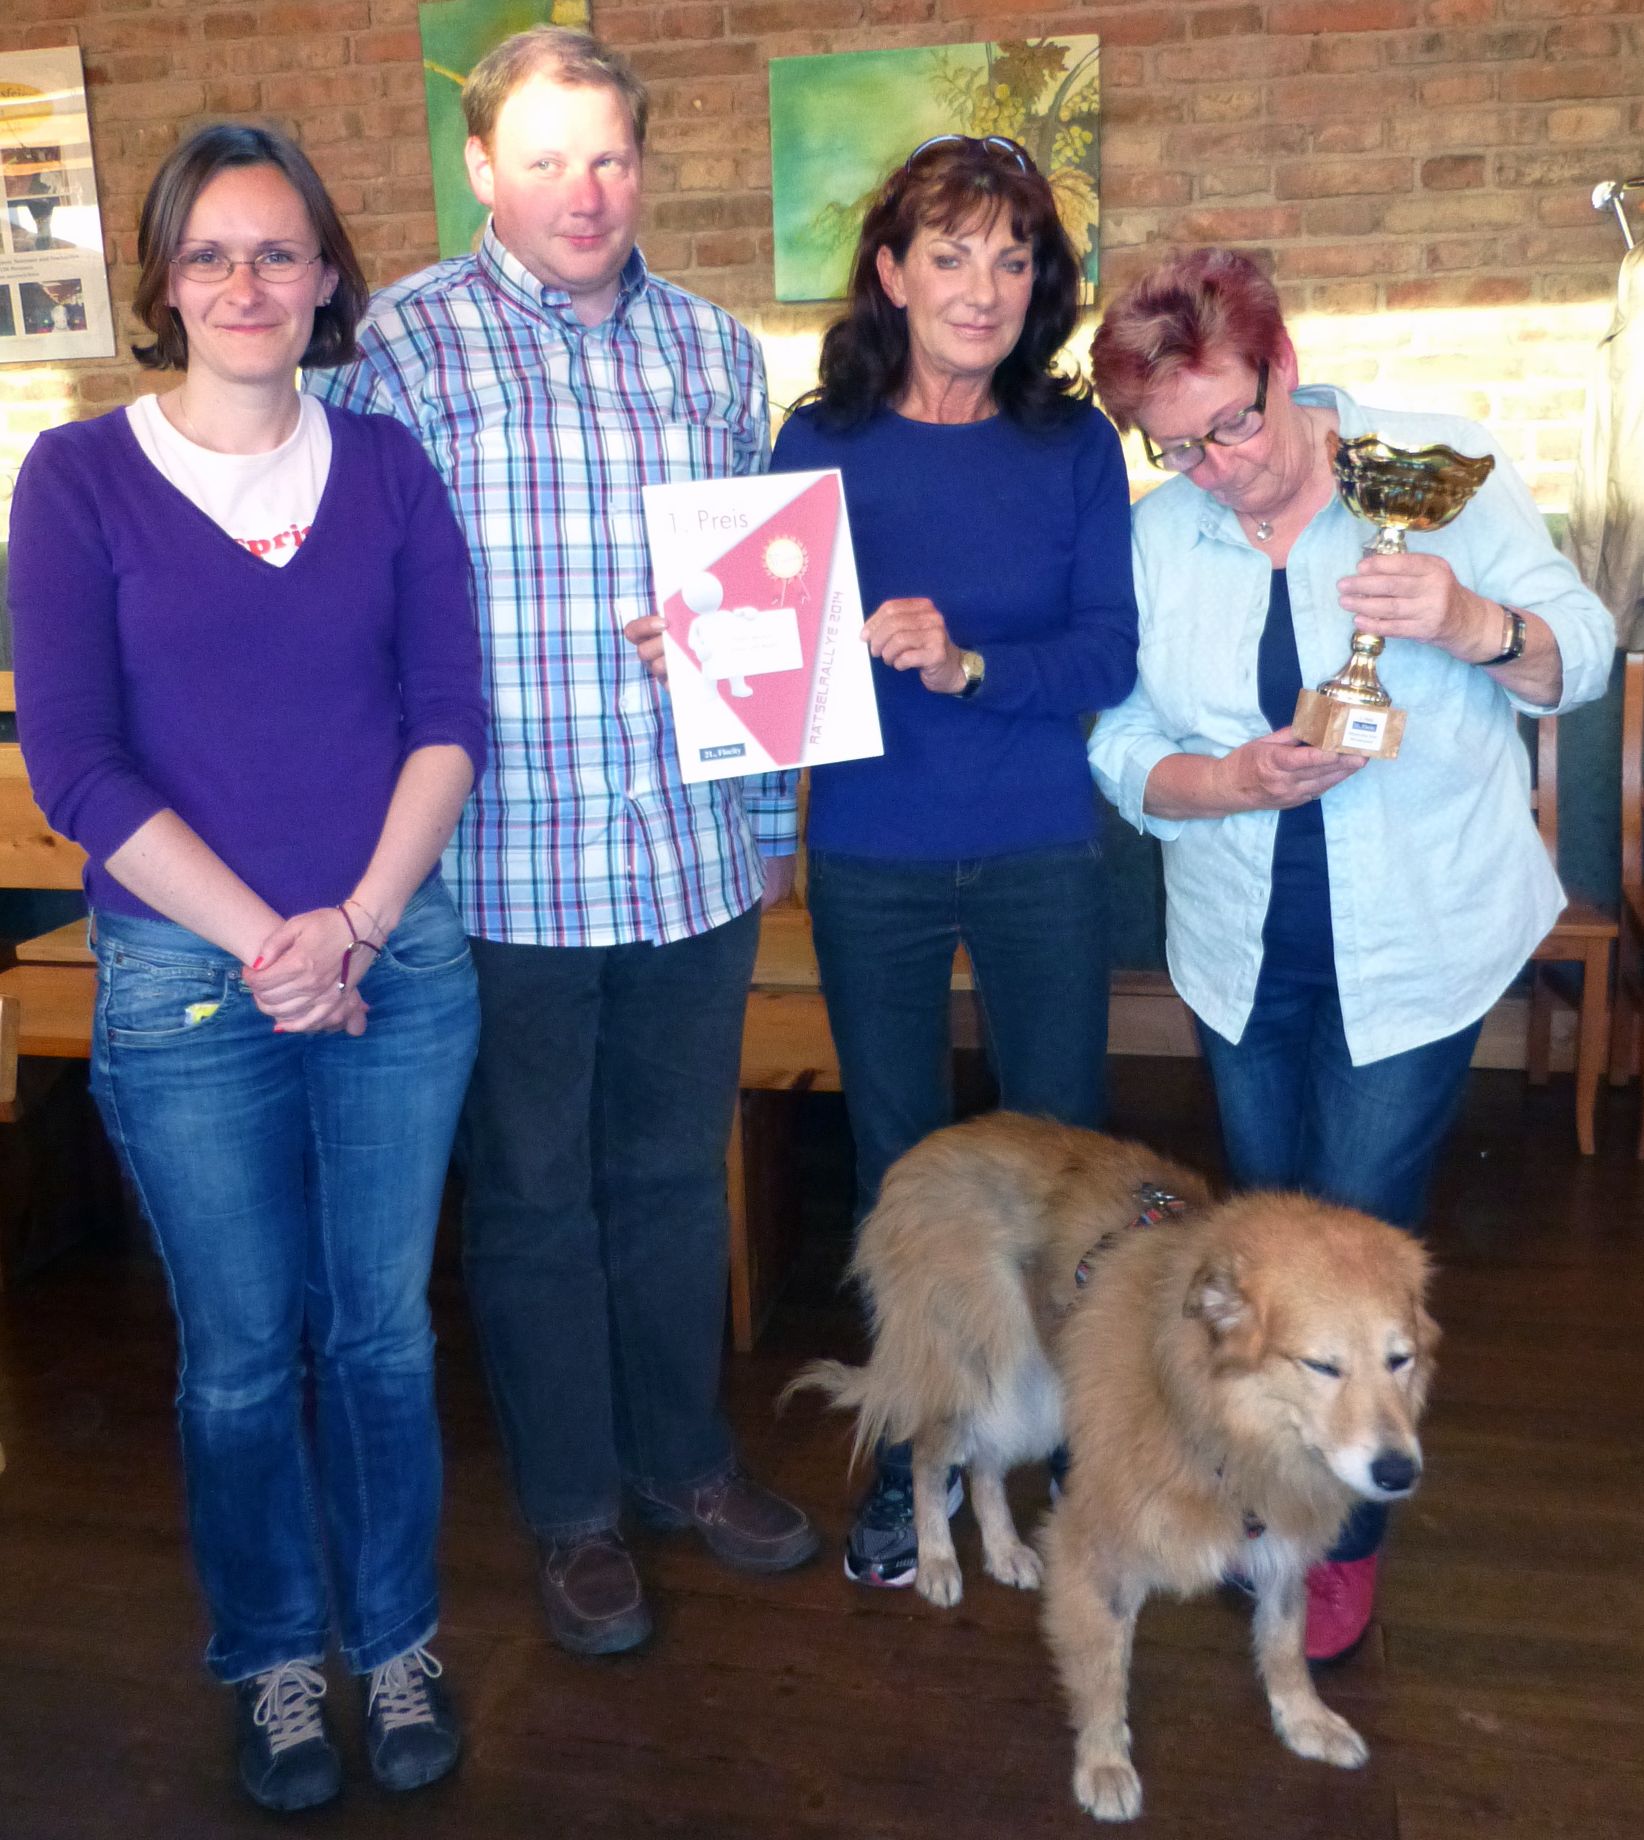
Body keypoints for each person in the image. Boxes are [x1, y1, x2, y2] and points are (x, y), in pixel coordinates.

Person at [309, 26, 817, 1661]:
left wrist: (770, 820)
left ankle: (683, 1460)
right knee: (532, 1202)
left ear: (644, 166)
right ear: (482, 169)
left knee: (672, 1181)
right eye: (545, 160)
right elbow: (346, 600)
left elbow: (771, 610)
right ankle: (574, 1512)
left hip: (688, 859)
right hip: (498, 868)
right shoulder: (398, 349)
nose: (583, 192)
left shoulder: (718, 353)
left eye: (609, 157)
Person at [7, 124, 487, 1810]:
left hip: (393, 963)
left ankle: (398, 1636)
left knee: (381, 1340)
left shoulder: (391, 471)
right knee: (236, 1357)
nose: (245, 283)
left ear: (328, 278)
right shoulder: (76, 479)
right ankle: (278, 1659)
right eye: (209, 253)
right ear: (163, 281)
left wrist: (350, 926)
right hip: (186, 985)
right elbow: (77, 767)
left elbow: (449, 720)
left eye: (279, 252)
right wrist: (270, 946)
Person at [1085, 246, 1614, 1660]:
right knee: (1266, 1248)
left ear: (1285, 362)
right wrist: (1220, 780)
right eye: (1177, 446)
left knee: (1361, 1247)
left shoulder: (1434, 466)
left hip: (1420, 938)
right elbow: (1119, 737)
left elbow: (1583, 650)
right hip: (1240, 947)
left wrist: (1470, 621)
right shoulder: (1158, 536)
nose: (1220, 470)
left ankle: (1341, 1538)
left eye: (1235, 423)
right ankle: (1272, 1482)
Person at [631, 133, 1139, 1591]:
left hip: (1039, 845)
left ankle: (1071, 1446)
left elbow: (1107, 655)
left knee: (1068, 1160)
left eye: (1013, 259)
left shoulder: (1072, 445)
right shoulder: (819, 440)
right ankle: (924, 1450)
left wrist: (971, 662)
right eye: (951, 254)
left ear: (1040, 285)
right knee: (900, 1167)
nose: (982, 287)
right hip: (872, 851)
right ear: (893, 273)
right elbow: (770, 651)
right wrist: (701, 653)